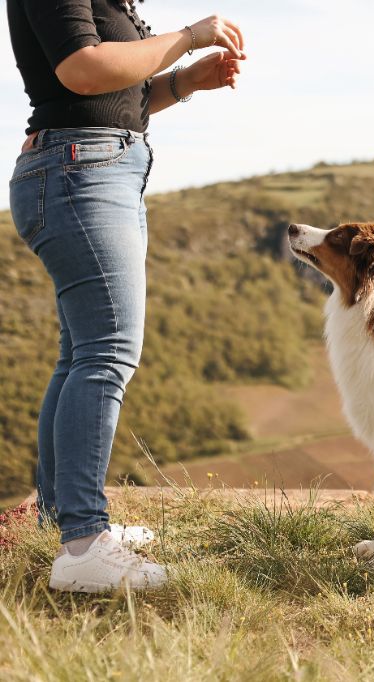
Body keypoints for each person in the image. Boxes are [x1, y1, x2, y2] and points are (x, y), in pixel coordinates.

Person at [6, 0, 245, 592]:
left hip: (92, 165)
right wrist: (191, 36)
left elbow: (111, 98)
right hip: (79, 172)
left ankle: (62, 519)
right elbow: (82, 71)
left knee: (81, 353)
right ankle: (85, 543)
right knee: (107, 352)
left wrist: (186, 82)